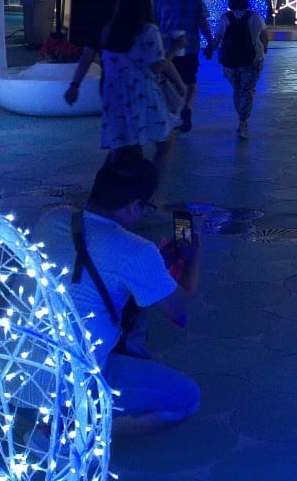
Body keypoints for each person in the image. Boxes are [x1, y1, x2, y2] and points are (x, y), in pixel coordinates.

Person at [32, 150, 200, 435]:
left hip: (20, 373)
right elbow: (179, 310)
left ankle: (56, 421)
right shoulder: (137, 251)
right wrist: (193, 260)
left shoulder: (52, 218)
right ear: (134, 206)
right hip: (71, 379)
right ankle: (67, 432)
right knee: (185, 400)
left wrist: (152, 268)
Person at [97, 0, 185, 182]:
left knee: (124, 147)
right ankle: (146, 194)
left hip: (116, 95)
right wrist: (176, 47)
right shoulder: (147, 30)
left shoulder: (108, 29)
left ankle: (109, 195)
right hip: (142, 95)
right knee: (166, 143)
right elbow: (157, 64)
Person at [153, 0, 214, 133]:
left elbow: (153, 24)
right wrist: (210, 42)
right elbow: (202, 22)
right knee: (190, 83)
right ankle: (186, 108)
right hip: (189, 47)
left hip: (166, 51)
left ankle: (172, 117)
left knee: (168, 83)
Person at [204, 0, 268, 139]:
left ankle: (241, 118)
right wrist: (264, 49)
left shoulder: (225, 18)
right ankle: (243, 122)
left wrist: (210, 49)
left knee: (238, 90)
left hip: (230, 61)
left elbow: (218, 38)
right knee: (247, 91)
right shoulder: (256, 17)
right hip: (252, 60)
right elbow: (264, 36)